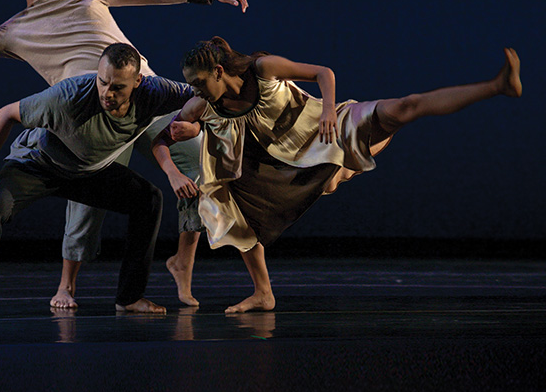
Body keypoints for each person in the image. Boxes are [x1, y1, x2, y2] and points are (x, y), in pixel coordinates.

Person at [0, 0, 248, 308]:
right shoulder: (15, 31)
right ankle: (64, 286)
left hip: (143, 98)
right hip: (84, 114)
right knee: (85, 192)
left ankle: (180, 264)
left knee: (200, 164)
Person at [152, 37, 523, 313]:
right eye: (193, 85)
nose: (195, 90)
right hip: (282, 164)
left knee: (406, 106)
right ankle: (263, 293)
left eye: (200, 82)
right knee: (235, 212)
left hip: (326, 130)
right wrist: (171, 172)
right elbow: (160, 140)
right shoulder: (200, 104)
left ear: (219, 71)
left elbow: (322, 73)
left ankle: (496, 86)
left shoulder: (262, 69)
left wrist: (329, 111)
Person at [0, 43, 194, 319]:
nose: (107, 93)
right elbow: (5, 114)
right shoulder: (68, 96)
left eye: (118, 87)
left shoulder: (155, 92)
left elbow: (202, 94)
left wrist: (193, 124)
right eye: (103, 82)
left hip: (89, 172)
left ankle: (130, 297)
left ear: (138, 81)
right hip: (38, 165)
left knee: (149, 199)